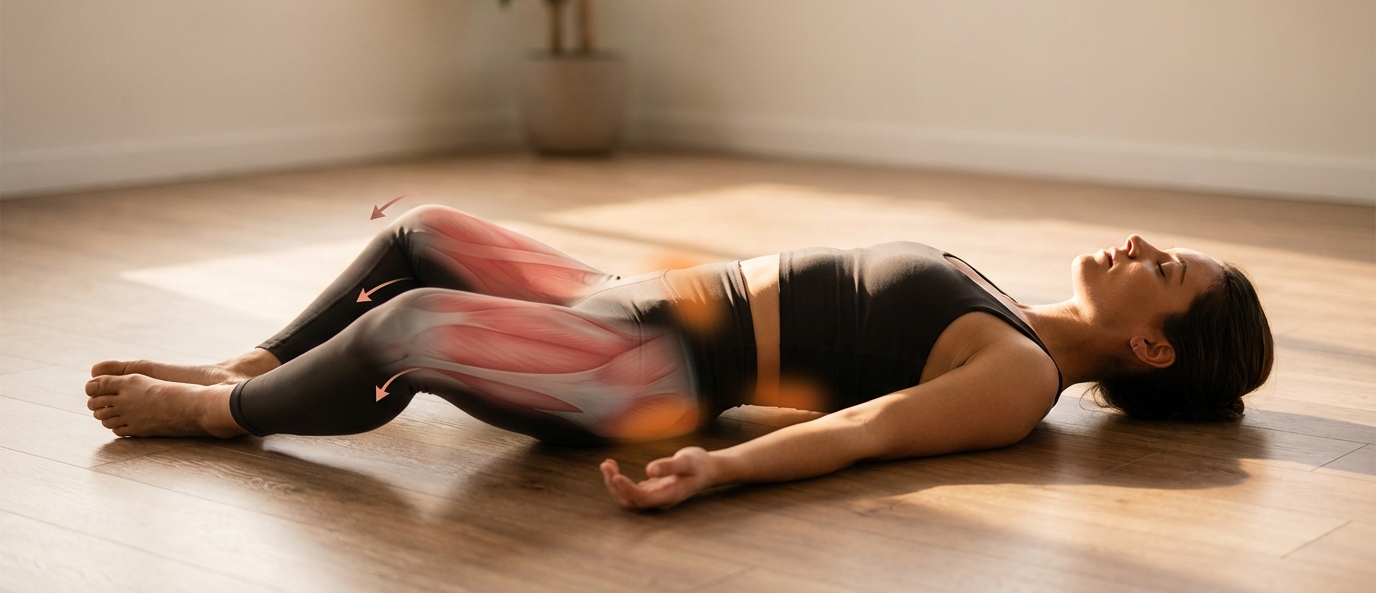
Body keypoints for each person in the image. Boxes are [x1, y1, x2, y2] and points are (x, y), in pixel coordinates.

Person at [84, 204, 1273, 510]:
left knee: (410, 326)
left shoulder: (1015, 376)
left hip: (647, 377)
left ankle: (223, 416)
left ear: (1151, 345)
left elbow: (862, 433)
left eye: (1163, 268)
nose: (1139, 246)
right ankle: (242, 362)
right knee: (420, 233)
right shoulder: (1004, 300)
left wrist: (722, 473)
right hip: (624, 303)